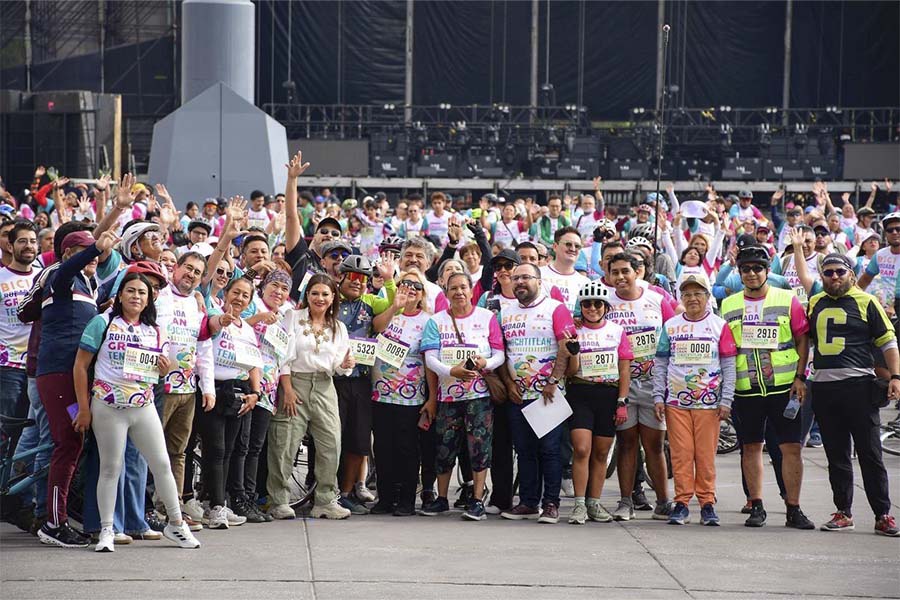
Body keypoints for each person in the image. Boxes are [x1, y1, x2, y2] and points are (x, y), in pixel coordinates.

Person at [73, 272, 200, 551]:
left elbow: (160, 369)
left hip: (142, 406)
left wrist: (165, 368)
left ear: (149, 299)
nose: (136, 297)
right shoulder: (102, 322)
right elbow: (80, 366)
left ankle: (176, 524)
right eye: (130, 291)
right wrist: (84, 408)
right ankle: (107, 529)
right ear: (120, 295)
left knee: (162, 464)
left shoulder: (156, 330)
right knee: (110, 467)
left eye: (142, 293)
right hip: (108, 406)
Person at [721, 246, 815, 529]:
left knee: (791, 448)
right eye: (745, 269)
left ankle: (793, 508)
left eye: (757, 269)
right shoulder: (729, 304)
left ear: (767, 270)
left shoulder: (787, 299)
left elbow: (802, 339)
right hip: (745, 388)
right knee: (751, 447)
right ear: (739, 273)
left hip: (783, 387)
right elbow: (725, 350)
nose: (751, 274)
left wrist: (800, 377)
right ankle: (756, 505)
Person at [806, 254, 900, 536]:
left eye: (839, 272)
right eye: (828, 273)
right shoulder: (815, 302)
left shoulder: (867, 302)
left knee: (870, 454)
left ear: (851, 273)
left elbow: (888, 342)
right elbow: (805, 342)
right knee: (836, 455)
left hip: (859, 386)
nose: (834, 277)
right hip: (823, 387)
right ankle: (843, 512)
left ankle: (882, 514)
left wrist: (895, 376)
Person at [36, 229, 118, 548]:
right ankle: (53, 525)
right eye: (87, 252)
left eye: (95, 254)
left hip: (76, 374)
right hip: (58, 372)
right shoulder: (60, 274)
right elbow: (69, 267)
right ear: (70, 253)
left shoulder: (89, 285)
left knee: (74, 442)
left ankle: (65, 514)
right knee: (67, 444)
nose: (95, 258)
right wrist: (96, 246)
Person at [653, 274, 737, 526]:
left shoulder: (719, 325)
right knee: (681, 455)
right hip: (676, 403)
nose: (692, 299)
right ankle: (681, 503)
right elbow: (660, 363)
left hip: (709, 404)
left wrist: (726, 400)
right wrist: (658, 395)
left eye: (697, 294)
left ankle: (707, 502)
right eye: (687, 294)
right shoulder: (671, 326)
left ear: (707, 297)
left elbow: (728, 365)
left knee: (705, 456)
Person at [420, 272, 505, 521]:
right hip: (448, 396)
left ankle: (477, 500)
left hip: (479, 396)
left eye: (463, 287)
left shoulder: (487, 317)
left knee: (479, 448)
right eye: (453, 288)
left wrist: (485, 362)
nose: (458, 292)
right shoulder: (436, 322)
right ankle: (442, 499)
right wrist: (451, 371)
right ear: (446, 293)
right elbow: (430, 358)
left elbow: (499, 353)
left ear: (471, 291)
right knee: (444, 448)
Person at [499, 264, 575, 524]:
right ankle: (528, 502)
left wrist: (553, 380)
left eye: (526, 277)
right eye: (516, 277)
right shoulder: (505, 313)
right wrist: (508, 383)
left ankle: (551, 504)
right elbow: (502, 353)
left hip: (547, 394)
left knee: (550, 451)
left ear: (539, 281)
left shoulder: (555, 308)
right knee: (524, 450)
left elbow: (567, 347)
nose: (520, 282)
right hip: (518, 395)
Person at [275, 274, 355, 520]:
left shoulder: (338, 327)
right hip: (295, 382)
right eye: (315, 293)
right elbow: (283, 355)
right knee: (285, 442)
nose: (320, 298)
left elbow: (340, 366)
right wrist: (287, 388)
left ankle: (325, 500)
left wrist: (346, 364)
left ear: (333, 298)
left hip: (324, 385)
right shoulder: (293, 317)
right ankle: (279, 500)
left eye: (325, 294)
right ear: (307, 295)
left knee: (331, 442)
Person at [604, 252, 675, 521]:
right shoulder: (604, 302)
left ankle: (663, 501)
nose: (620, 277)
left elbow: (674, 336)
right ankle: (625, 502)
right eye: (615, 272)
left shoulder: (657, 300)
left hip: (652, 384)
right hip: (619, 385)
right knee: (626, 444)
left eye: (625, 271)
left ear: (637, 273)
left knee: (655, 445)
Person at [562, 281, 632, 524]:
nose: (592, 308)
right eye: (587, 304)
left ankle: (594, 502)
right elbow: (569, 371)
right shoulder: (574, 330)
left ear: (605, 307)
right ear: (580, 307)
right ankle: (579, 504)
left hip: (608, 394)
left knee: (601, 453)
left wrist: (622, 401)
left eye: (597, 304)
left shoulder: (617, 331)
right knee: (582, 449)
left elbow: (625, 370)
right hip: (580, 392)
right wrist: (572, 351)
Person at [332, 253, 397, 515]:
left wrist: (390, 280)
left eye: (363, 279)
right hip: (333, 379)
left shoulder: (370, 302)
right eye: (353, 277)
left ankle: (347, 493)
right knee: (331, 439)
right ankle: (328, 490)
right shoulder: (331, 298)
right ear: (341, 277)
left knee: (358, 440)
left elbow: (397, 305)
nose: (358, 283)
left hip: (360, 380)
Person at [201, 275, 262, 529]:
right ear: (226, 293)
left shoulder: (247, 329)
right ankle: (214, 506)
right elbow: (206, 342)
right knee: (214, 450)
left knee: (228, 450)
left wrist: (255, 393)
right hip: (213, 389)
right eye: (236, 292)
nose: (239, 298)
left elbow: (254, 364)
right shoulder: (215, 315)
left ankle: (219, 503)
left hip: (239, 392)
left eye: (245, 295)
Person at [369, 269, 432, 516]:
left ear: (423, 293)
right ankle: (385, 498)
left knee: (407, 449)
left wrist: (432, 398)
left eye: (416, 286)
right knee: (383, 448)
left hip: (411, 396)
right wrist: (395, 306)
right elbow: (376, 327)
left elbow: (429, 361)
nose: (411, 289)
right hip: (380, 394)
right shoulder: (388, 310)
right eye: (405, 283)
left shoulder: (428, 321)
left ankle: (406, 499)